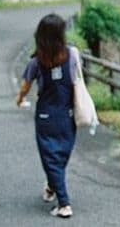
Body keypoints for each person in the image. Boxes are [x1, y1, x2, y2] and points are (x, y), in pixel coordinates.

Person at [15, 13, 79, 219]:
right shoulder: (72, 54)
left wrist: (19, 99)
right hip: (67, 114)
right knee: (61, 155)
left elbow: (25, 86)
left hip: (45, 116)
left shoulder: (36, 62)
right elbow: (77, 80)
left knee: (51, 158)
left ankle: (64, 204)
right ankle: (52, 186)